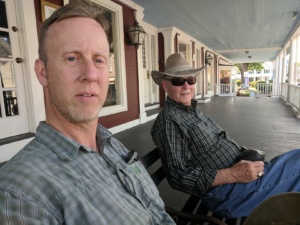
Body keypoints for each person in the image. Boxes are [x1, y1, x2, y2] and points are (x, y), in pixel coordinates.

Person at [0, 2, 175, 225]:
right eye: (72, 58)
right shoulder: (22, 193)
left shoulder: (110, 144)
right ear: (43, 72)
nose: (90, 74)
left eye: (99, 60)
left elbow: (156, 211)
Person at [151, 53, 300, 218]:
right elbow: (178, 177)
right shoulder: (169, 121)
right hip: (228, 194)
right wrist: (234, 174)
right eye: (178, 81)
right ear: (165, 85)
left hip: (241, 177)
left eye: (191, 79)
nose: (186, 86)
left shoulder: (191, 112)